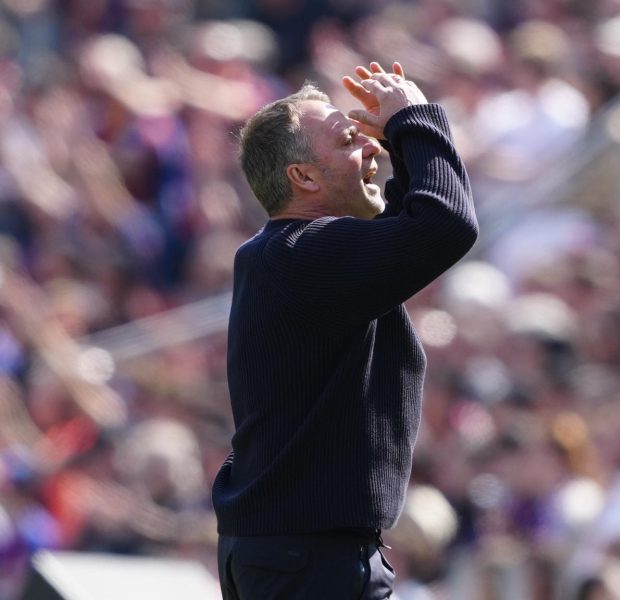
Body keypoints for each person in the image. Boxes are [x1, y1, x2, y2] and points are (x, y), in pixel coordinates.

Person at [212, 61, 479, 599]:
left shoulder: (297, 254)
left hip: (298, 555)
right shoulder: (306, 253)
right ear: (304, 177)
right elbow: (444, 224)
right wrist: (415, 119)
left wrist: (404, 140)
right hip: (311, 559)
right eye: (349, 140)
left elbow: (414, 222)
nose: (372, 149)